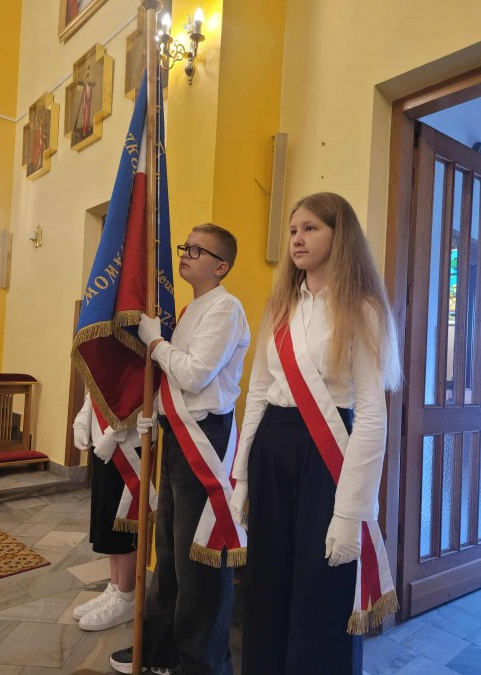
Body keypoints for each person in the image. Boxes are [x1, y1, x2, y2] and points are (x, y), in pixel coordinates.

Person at [230, 192, 401, 675]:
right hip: (273, 447)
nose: (297, 239)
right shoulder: (280, 307)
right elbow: (257, 393)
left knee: (319, 587)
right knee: (267, 580)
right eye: (293, 230)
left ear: (339, 236)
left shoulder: (362, 310)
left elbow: (372, 415)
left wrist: (351, 511)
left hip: (327, 454)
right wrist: (241, 476)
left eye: (310, 228)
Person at [110, 223, 250, 675]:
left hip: (205, 438)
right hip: (178, 435)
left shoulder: (226, 308)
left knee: (199, 556)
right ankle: (159, 649)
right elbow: (175, 380)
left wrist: (154, 341)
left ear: (221, 266)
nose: (185, 254)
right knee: (169, 548)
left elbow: (194, 374)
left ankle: (201, 662)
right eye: (185, 247)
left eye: (196, 250)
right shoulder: (191, 310)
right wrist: (154, 412)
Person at [72, 394, 157, 631]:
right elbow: (96, 389)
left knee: (124, 520)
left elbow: (142, 392)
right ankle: (116, 586)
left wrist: (114, 433)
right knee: (108, 517)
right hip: (102, 437)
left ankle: (127, 596)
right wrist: (82, 420)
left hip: (129, 440)